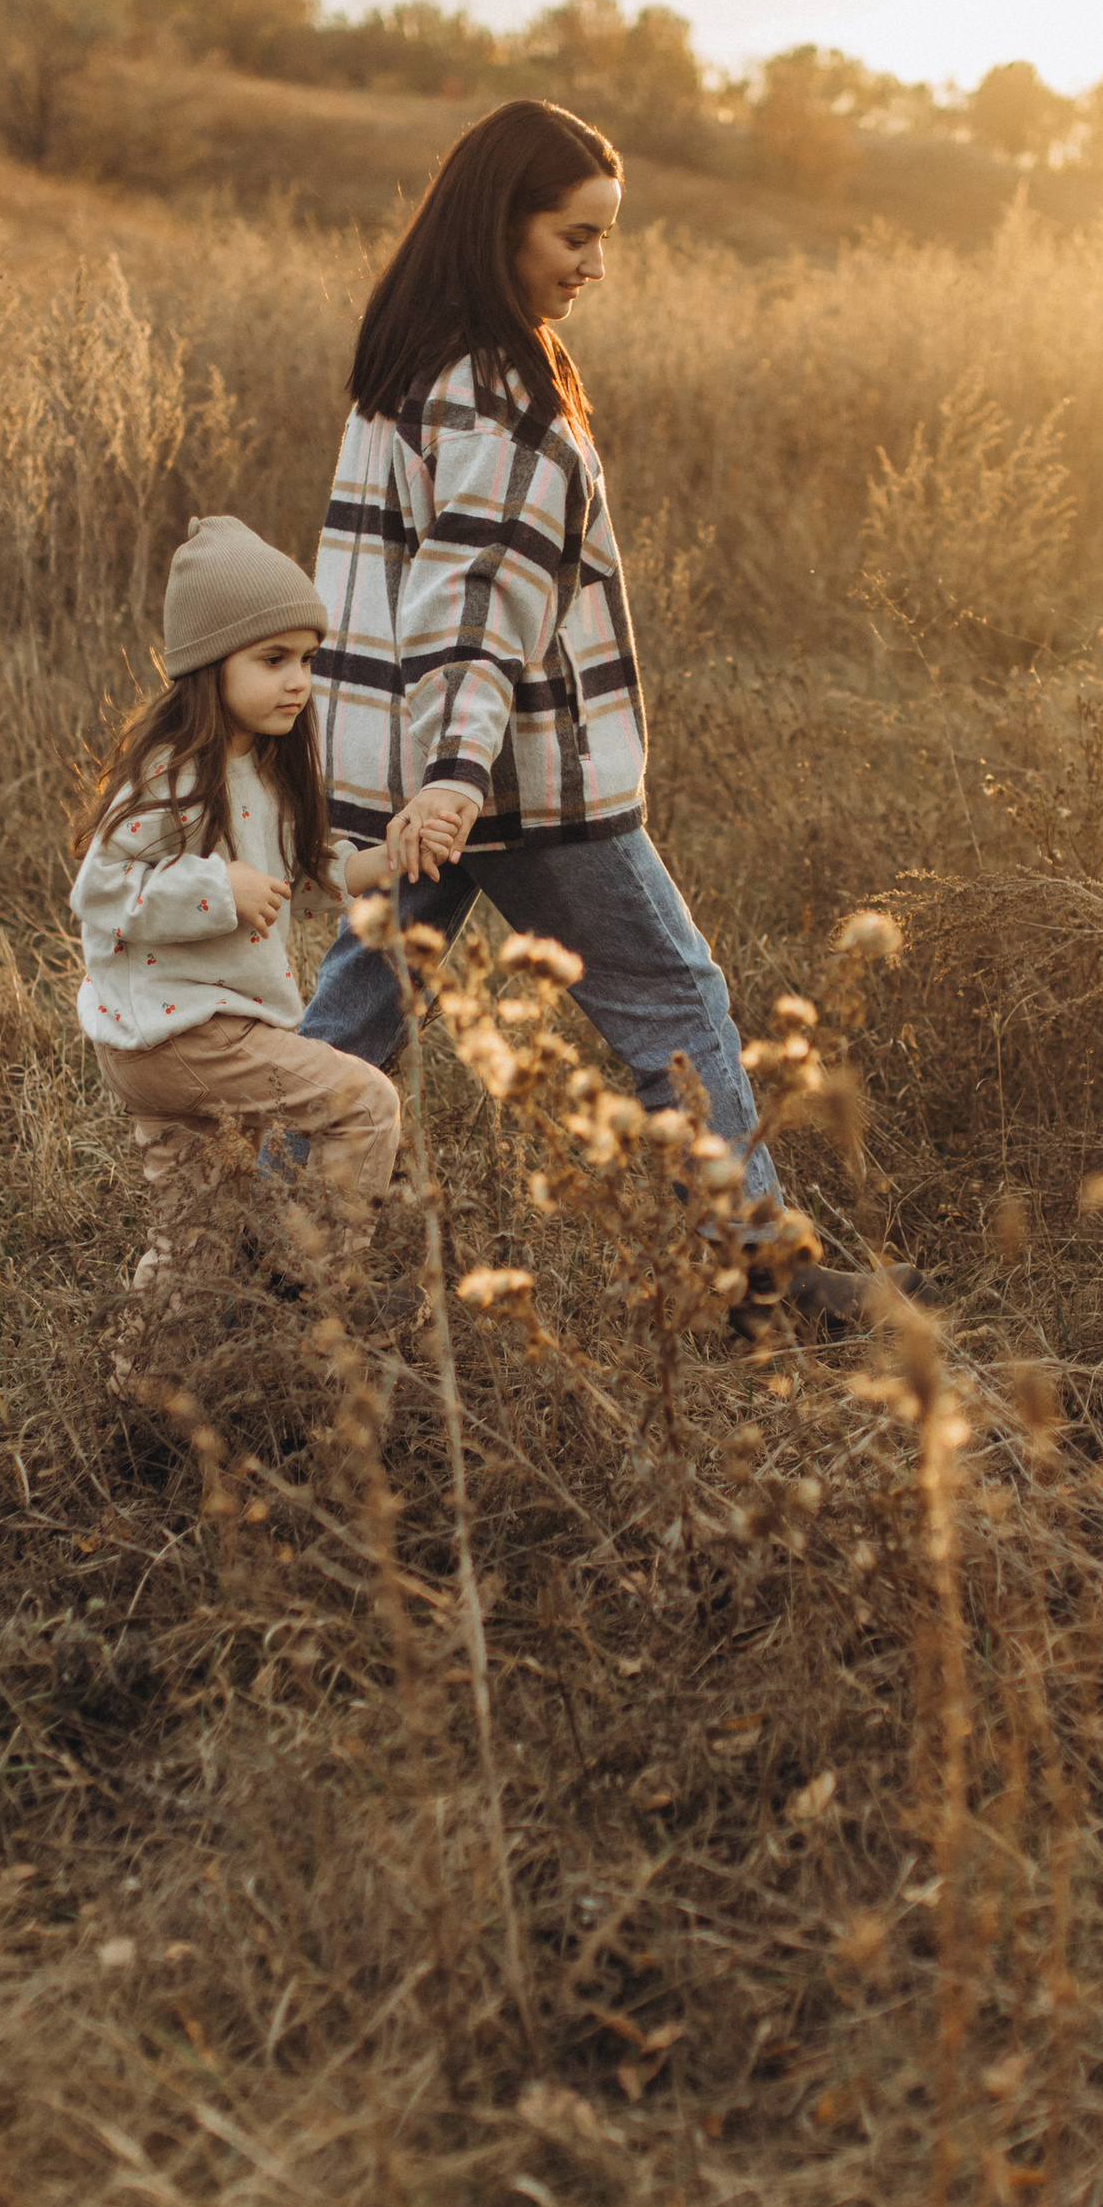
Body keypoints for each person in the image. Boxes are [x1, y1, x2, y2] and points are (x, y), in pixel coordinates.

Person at [300, 95, 875, 1333]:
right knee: (671, 999)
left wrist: (427, 775)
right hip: (511, 775)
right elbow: (476, 598)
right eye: (575, 235)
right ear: (498, 225)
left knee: (356, 1016)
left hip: (423, 768)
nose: (594, 267)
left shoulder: (413, 363)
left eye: (605, 238)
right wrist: (457, 773)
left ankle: (242, 1254)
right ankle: (759, 1279)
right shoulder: (493, 390)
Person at [71, 513, 403, 1375]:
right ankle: (311, 1322)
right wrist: (218, 890)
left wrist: (388, 859)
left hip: (175, 1039)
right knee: (366, 1107)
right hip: (185, 1035)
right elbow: (100, 891)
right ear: (206, 665)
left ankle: (138, 1391)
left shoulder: (265, 768)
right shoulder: (175, 776)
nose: (298, 680)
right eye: (272, 660)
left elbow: (309, 864)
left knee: (196, 1239)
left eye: (306, 659)